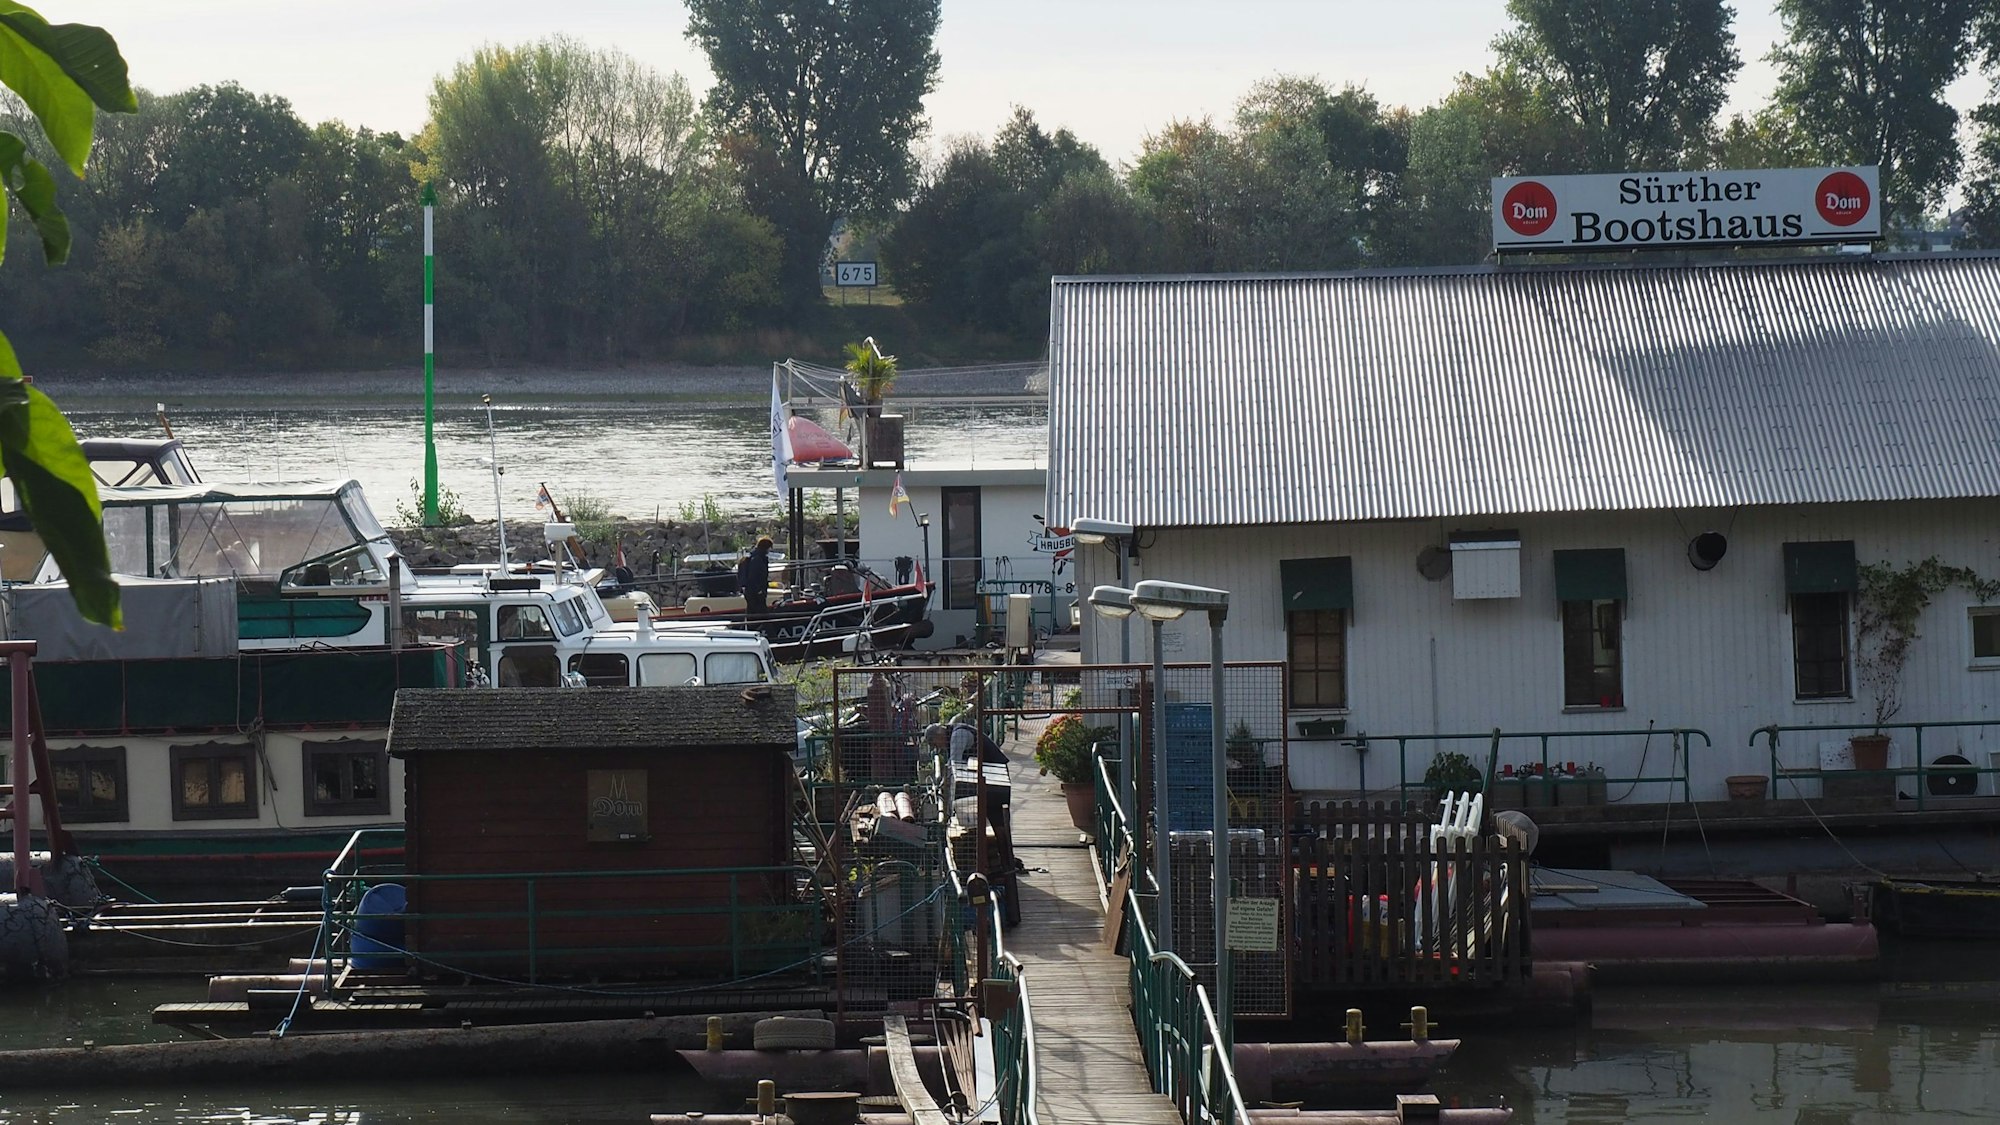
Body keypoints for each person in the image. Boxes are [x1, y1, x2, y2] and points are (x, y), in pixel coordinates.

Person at [737, 537, 773, 618]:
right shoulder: (758, 560)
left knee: (752, 613)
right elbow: (755, 576)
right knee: (762, 613)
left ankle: (748, 628)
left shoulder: (755, 557)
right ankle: (768, 630)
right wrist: (759, 590)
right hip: (756, 592)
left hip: (750, 592)